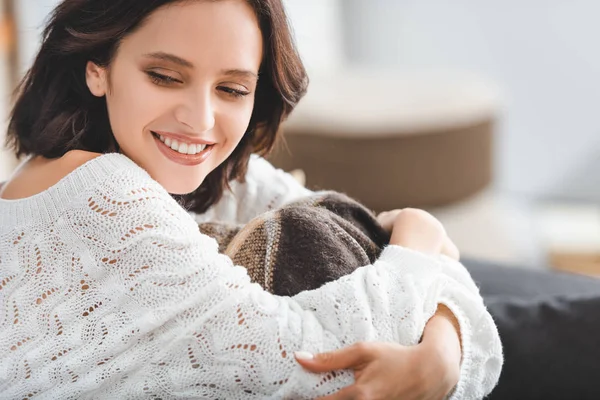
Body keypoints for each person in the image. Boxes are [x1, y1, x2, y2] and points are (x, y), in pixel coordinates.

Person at [0, 0, 502, 398]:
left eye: (232, 89)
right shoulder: (100, 192)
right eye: (165, 76)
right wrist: (420, 236)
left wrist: (441, 353)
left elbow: (371, 240)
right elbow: (315, 368)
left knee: (532, 305)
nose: (199, 120)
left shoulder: (187, 164)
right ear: (98, 69)